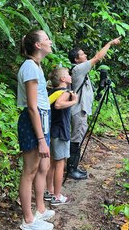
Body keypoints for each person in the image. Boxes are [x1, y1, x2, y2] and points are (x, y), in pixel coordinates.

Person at [67, 37, 121, 180]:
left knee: (78, 138)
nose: (85, 56)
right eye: (82, 54)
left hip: (80, 110)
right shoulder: (78, 69)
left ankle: (73, 167)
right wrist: (109, 43)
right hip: (78, 111)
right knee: (76, 139)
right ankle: (71, 170)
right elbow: (98, 57)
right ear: (76, 59)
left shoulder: (79, 70)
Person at [17, 29, 55, 230]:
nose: (50, 41)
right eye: (47, 39)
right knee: (30, 171)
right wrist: (41, 139)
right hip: (34, 121)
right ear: (38, 45)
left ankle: (39, 210)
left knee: (43, 167)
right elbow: (32, 106)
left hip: (43, 120)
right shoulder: (30, 67)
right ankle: (28, 220)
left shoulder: (36, 66)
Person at [45, 67, 78, 205]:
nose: (70, 76)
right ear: (63, 79)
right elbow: (59, 105)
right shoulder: (64, 92)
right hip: (60, 132)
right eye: (68, 75)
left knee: (53, 163)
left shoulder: (52, 91)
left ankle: (49, 191)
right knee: (60, 164)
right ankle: (57, 196)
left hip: (52, 131)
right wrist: (74, 101)